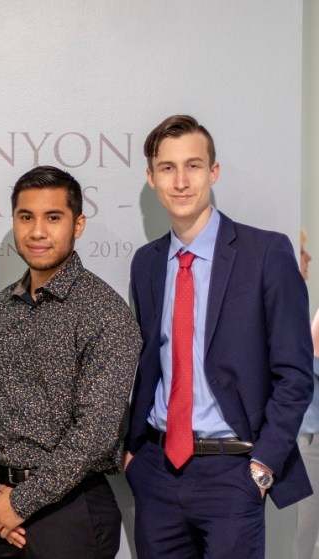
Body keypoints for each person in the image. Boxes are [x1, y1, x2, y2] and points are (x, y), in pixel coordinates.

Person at [125, 114, 314, 558]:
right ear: (151, 178)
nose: (181, 180)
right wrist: (132, 458)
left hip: (234, 472)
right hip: (156, 470)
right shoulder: (146, 263)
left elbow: (295, 374)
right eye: (167, 168)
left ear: (214, 172)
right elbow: (148, 363)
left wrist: (262, 467)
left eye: (193, 165)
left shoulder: (265, 252)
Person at [0, 165, 142, 558]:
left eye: (53, 217)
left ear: (77, 225)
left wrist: (20, 503)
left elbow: (94, 432)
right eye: (25, 217)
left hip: (72, 510)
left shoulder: (104, 312)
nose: (37, 232)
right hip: (1, 507)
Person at [298, 229, 319, 559]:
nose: (309, 258)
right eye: (302, 249)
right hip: (303, 437)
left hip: (308, 434)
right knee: (298, 540)